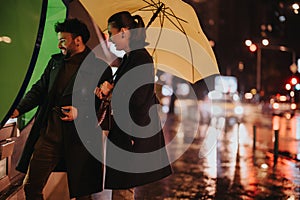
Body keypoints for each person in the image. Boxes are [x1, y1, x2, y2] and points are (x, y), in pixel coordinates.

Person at [11, 18, 112, 199]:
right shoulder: (55, 62)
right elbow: (39, 89)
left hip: (80, 140)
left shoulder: (99, 68)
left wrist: (80, 112)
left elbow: (102, 108)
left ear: (78, 40)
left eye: (63, 40)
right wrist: (18, 109)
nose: (59, 45)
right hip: (49, 136)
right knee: (32, 186)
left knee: (83, 193)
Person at [94, 11, 172, 200]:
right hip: (124, 132)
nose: (110, 40)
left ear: (124, 32)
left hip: (130, 134)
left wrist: (112, 90)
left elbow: (137, 99)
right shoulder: (130, 58)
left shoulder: (140, 59)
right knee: (121, 188)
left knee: (123, 189)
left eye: (112, 34)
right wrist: (108, 91)